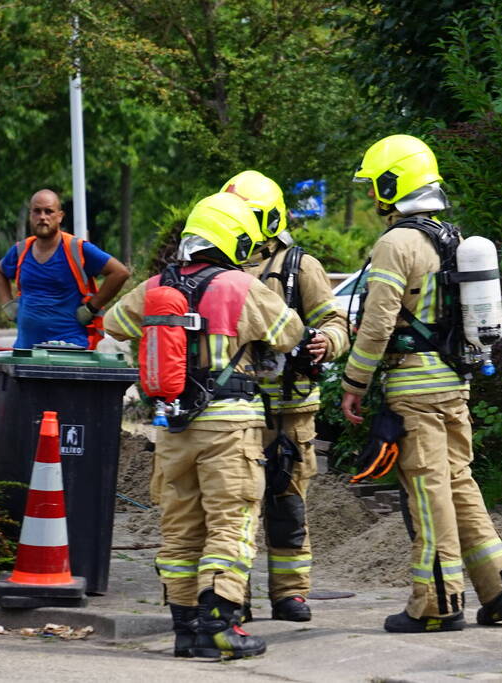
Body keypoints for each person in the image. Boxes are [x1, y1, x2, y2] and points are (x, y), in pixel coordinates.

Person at [104, 192, 305, 660]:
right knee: (231, 523)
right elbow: (290, 332)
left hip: (172, 427)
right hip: (229, 427)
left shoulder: (158, 286)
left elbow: (114, 323)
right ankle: (220, 624)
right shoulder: (240, 286)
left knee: (179, 530)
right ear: (235, 239)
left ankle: (185, 629)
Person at [340, 134, 502, 633]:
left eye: (375, 186)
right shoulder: (452, 237)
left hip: (414, 389)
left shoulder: (395, 243)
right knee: (459, 482)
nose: (373, 197)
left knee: (428, 493)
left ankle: (437, 604)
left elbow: (378, 323)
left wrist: (354, 380)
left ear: (390, 184)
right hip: (454, 382)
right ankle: (499, 585)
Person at [224, 170, 349, 622]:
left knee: (288, 502)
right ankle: (232, 595)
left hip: (291, 410)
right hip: (233, 408)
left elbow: (336, 321)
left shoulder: (300, 267)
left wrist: (327, 342)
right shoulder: (220, 263)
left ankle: (290, 594)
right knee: (235, 505)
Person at [0, 189, 129, 349]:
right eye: (37, 211)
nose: (42, 217)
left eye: (48, 211)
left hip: (69, 350)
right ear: (31, 215)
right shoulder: (21, 250)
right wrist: (8, 305)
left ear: (60, 216)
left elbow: (120, 272)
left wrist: (91, 307)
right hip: (25, 349)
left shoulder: (77, 249)